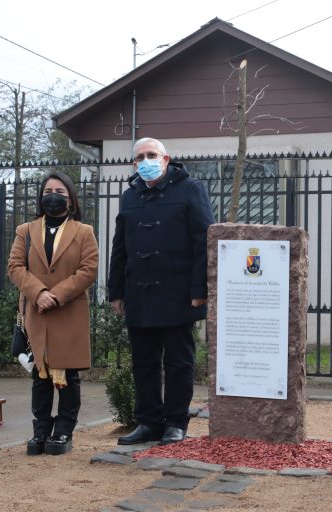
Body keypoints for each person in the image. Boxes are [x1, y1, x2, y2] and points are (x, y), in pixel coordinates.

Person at [108, 137, 214, 446]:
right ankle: (148, 422)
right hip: (139, 294)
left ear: (166, 159)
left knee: (179, 362)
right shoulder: (130, 196)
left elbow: (203, 241)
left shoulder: (190, 189)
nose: (145, 160)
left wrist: (200, 288)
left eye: (151, 154)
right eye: (140, 156)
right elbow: (120, 247)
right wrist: (117, 291)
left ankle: (176, 423)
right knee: (144, 362)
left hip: (179, 292)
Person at [8, 171, 98, 455]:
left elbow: (88, 270)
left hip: (68, 311)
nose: (53, 196)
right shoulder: (26, 230)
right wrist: (39, 293)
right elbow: (15, 267)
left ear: (70, 198)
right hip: (36, 311)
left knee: (68, 376)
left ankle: (63, 432)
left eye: (59, 191)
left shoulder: (84, 232)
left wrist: (55, 295)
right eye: (48, 191)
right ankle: (41, 431)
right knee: (40, 374)